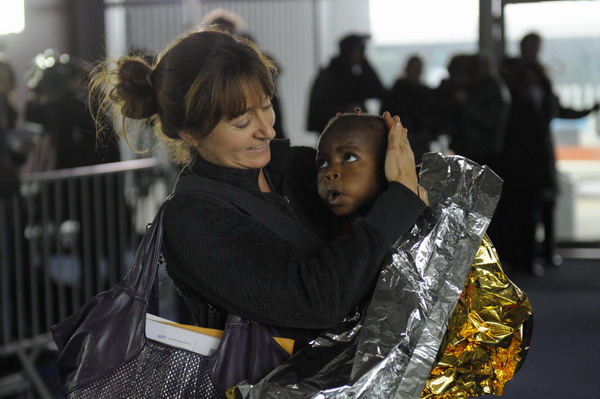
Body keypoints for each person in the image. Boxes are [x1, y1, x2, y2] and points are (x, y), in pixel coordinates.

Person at [88, 25, 426, 380]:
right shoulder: (193, 219)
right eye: (242, 122)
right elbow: (318, 300)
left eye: (266, 105)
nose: (266, 129)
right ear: (191, 133)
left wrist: (384, 161)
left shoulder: (299, 167)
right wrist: (397, 200)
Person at [315, 112, 531, 397]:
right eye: (322, 162)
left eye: (350, 157)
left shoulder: (414, 231)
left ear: (389, 167)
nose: (331, 171)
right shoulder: (328, 228)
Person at [493, 32, 599, 275]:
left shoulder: (528, 80)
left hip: (532, 157)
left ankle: (535, 255)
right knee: (526, 208)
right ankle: (528, 257)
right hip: (524, 157)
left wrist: (586, 111)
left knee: (536, 205)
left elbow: (555, 110)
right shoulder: (517, 77)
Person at [307, 33, 385, 134]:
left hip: (347, 130)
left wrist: (365, 64)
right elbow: (319, 112)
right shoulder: (330, 77)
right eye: (360, 50)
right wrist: (346, 110)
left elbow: (378, 91)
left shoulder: (352, 75)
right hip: (334, 132)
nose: (362, 53)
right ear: (350, 52)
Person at [380, 54, 436, 163]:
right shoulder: (396, 92)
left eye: (418, 69)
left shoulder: (425, 93)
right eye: (414, 68)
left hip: (419, 139)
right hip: (402, 138)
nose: (416, 72)